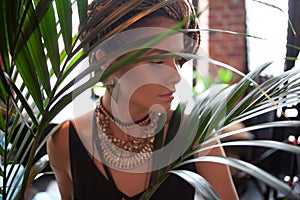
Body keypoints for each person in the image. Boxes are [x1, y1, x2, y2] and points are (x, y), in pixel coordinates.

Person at [47, 0, 239, 199]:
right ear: (107, 61)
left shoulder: (196, 136)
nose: (176, 76)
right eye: (157, 61)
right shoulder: (64, 141)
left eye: (177, 61)